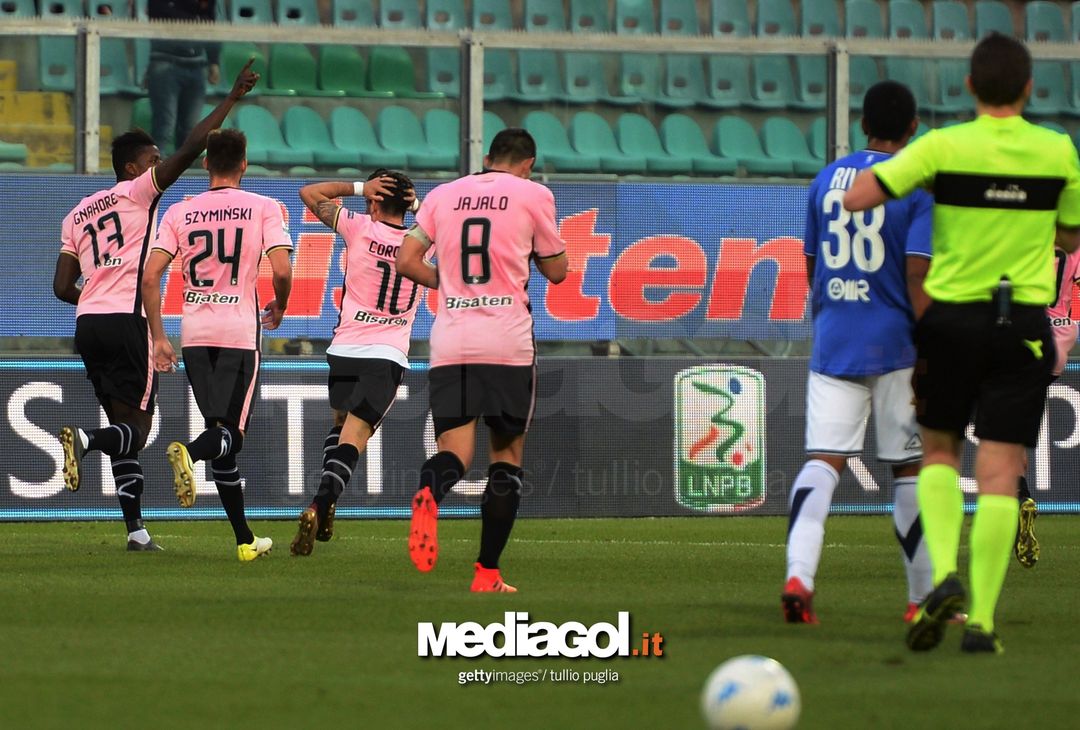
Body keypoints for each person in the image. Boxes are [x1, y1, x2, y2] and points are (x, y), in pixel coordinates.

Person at [845, 32, 1080, 654]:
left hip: (949, 322)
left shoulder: (943, 146)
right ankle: (982, 624)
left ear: (970, 87)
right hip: (1021, 324)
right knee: (1002, 474)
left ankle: (942, 574)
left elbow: (858, 196)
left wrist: (926, 189)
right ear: (1029, 88)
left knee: (941, 453)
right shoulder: (1057, 151)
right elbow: (1074, 233)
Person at [53, 62, 258, 552]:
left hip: (88, 324)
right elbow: (194, 146)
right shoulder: (138, 192)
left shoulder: (77, 213)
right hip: (129, 322)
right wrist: (229, 99)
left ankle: (136, 532)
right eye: (152, 159)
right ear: (132, 168)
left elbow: (62, 286)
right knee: (136, 432)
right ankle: (83, 441)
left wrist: (96, 299)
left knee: (122, 423)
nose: (159, 164)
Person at [782, 81, 935, 625]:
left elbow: (810, 266)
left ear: (862, 123)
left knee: (823, 463)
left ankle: (799, 575)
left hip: (835, 338)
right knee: (911, 470)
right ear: (913, 126)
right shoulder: (915, 186)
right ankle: (921, 601)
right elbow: (918, 274)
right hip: (897, 342)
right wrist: (930, 348)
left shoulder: (826, 179)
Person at [395, 128, 567, 592]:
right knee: (505, 458)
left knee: (453, 452)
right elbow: (557, 271)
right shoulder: (534, 194)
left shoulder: (444, 195)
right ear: (528, 163)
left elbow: (407, 260)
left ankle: (430, 491)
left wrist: (450, 284)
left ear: (488, 158)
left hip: (451, 343)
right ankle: (487, 573)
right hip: (506, 343)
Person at [141, 129, 293, 562]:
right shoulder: (263, 207)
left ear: (205, 164)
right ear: (244, 164)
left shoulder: (180, 211)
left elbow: (150, 277)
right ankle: (187, 453)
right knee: (231, 436)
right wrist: (279, 307)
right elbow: (281, 271)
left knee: (220, 434)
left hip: (195, 336)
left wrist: (158, 337)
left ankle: (245, 541)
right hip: (238, 335)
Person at [290, 170, 422, 557]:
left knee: (339, 423)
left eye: (371, 199)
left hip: (346, 346)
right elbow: (455, 228)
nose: (366, 203)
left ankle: (326, 507)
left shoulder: (359, 228)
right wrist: (413, 205)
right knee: (356, 436)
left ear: (378, 202)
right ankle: (320, 503)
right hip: (387, 352)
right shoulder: (423, 240)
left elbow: (308, 192)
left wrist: (359, 188)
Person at [1014, 245, 1080, 568]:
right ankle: (1018, 498)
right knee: (1016, 434)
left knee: (1000, 439)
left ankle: (1018, 496)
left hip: (1026, 345)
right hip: (1057, 353)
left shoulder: (1034, 240)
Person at [146, 0, 221, 154]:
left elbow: (210, 23)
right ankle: (155, 173)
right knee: (164, 126)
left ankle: (185, 174)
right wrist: (195, 15)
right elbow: (160, 11)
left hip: (196, 66)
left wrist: (214, 61)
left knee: (191, 130)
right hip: (165, 63)